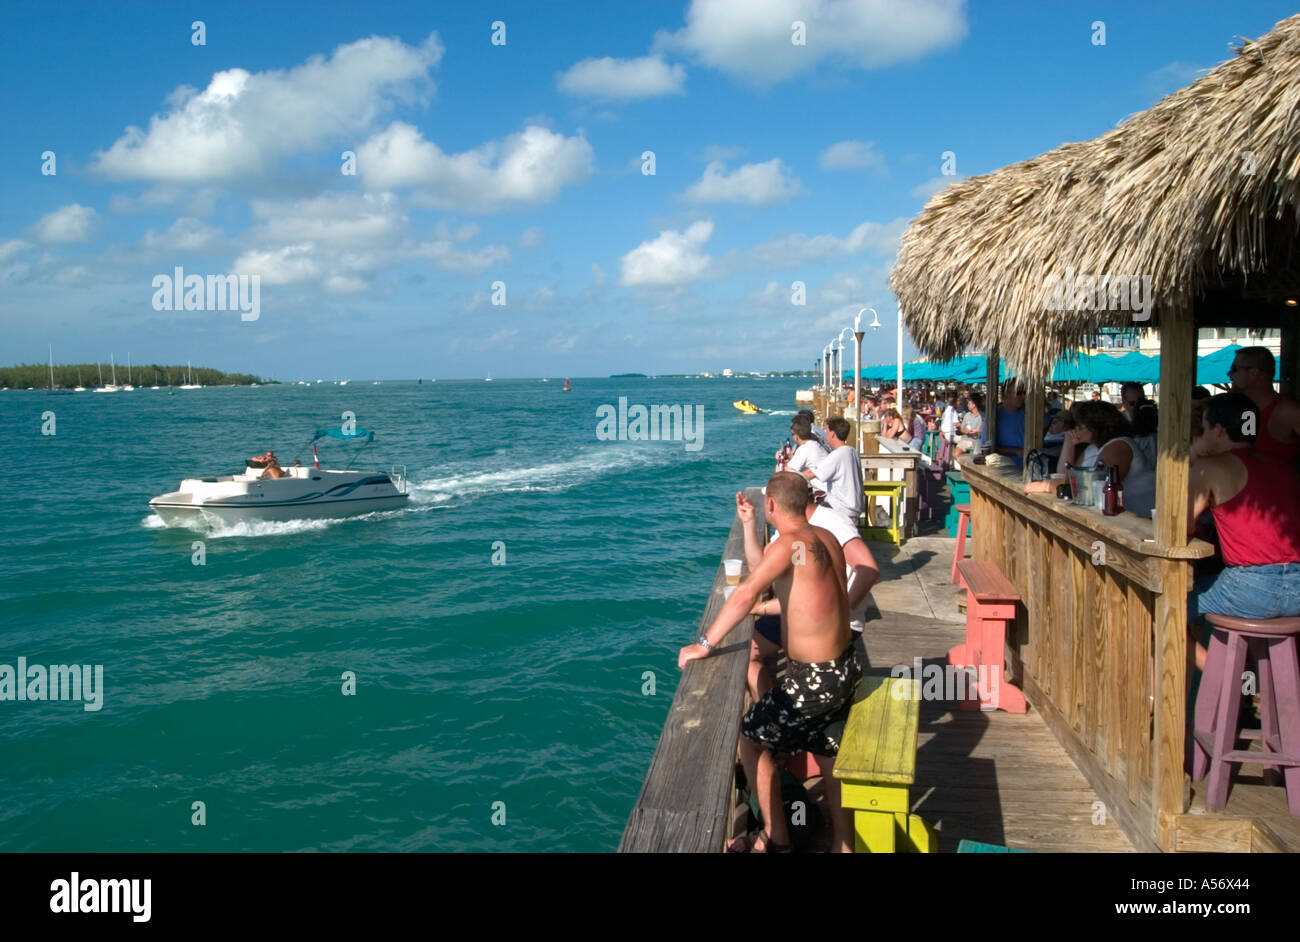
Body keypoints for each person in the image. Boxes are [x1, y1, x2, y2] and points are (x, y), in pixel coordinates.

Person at [680, 473, 858, 853]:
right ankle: (845, 844)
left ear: (772, 506)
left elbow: (746, 591)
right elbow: (804, 590)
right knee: (826, 750)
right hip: (843, 669)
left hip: (814, 680)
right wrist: (748, 525)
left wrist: (704, 643)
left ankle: (777, 838)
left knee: (751, 736)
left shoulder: (793, 543)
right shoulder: (825, 539)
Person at [1187, 392, 1300, 667]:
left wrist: (1192, 455)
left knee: (1163, 607)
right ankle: (1248, 681)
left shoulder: (1209, 467)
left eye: (1204, 425)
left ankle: (1225, 677)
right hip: (1298, 587)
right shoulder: (1283, 466)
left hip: (1252, 589)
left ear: (1218, 429)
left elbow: (1178, 526)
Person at [800, 417, 879, 632]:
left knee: (827, 549)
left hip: (841, 511)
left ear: (832, 433)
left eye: (826, 430)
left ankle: (830, 594)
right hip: (853, 508)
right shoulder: (852, 451)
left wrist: (793, 478)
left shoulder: (838, 455)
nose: (825, 434)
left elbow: (814, 474)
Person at [1052, 400, 1155, 517]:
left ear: (1096, 426)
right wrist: (1068, 443)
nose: (1075, 429)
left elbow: (1097, 487)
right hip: (1119, 517)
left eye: (1080, 426)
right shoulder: (1093, 448)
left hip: (1140, 518)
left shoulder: (1117, 447)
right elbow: (1064, 477)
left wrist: (1051, 487)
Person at [1229, 346, 1300, 469]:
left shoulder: (1288, 411)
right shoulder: (1238, 409)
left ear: (1254, 373)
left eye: (1234, 369)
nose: (1230, 374)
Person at [995, 380, 1027, 466]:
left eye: (1025, 392)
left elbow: (1047, 421)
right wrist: (1016, 451)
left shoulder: (1028, 414)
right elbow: (989, 448)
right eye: (1019, 393)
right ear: (1006, 394)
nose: (1023, 396)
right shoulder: (994, 417)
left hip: (1028, 470)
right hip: (1004, 472)